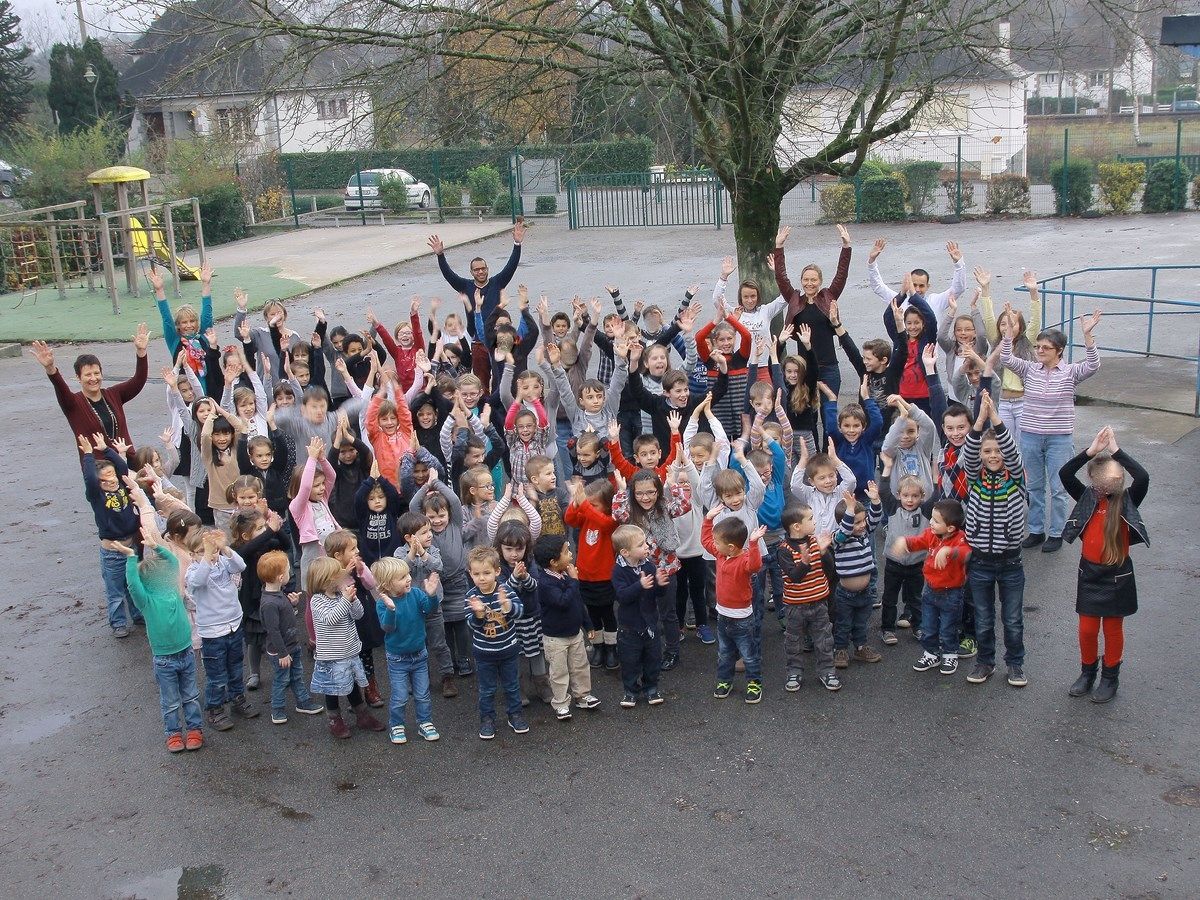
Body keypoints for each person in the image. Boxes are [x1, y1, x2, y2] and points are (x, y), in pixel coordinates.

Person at [1000, 305, 1102, 553]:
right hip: (1031, 436)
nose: (1040, 351)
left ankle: (1056, 533)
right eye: (1038, 347)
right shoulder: (1029, 369)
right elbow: (1005, 358)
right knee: (1034, 485)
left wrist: (1088, 337)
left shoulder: (1070, 373)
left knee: (1057, 488)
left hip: (1059, 438)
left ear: (1059, 351)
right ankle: (1036, 530)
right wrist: (1009, 334)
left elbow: (1093, 366)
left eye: (1045, 347)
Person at [1060, 426, 1149, 704]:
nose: (1117, 476)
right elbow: (1065, 474)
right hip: (1090, 574)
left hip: (1118, 576)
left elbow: (1143, 476)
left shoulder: (1127, 500)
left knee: (1112, 629)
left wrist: (1117, 451)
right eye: (1111, 472)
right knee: (1087, 629)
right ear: (1095, 478)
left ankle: (1110, 677)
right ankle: (1088, 673)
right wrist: (1092, 451)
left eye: (1119, 473)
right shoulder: (1087, 497)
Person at [111, 525, 204, 753]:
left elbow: (172, 562)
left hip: (185, 652)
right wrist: (131, 558)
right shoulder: (146, 601)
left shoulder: (173, 591)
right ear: (150, 582)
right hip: (164, 659)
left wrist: (155, 547)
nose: (167, 578)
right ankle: (173, 733)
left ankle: (194, 729)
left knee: (191, 695)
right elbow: (132, 584)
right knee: (171, 700)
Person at [961, 393, 1029, 687]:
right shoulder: (975, 477)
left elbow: (1012, 453)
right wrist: (978, 422)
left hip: (1011, 562)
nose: (993, 455)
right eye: (988, 451)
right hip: (980, 563)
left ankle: (1015, 665)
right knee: (984, 618)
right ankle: (985, 662)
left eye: (997, 451)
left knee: (1012, 620)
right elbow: (968, 453)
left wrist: (996, 419)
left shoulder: (1015, 477)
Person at [32, 324, 151, 466]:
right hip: (100, 470)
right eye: (88, 374)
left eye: (96, 373)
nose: (93, 378)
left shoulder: (114, 394)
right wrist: (50, 368)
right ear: (78, 377)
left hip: (127, 461)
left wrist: (141, 352)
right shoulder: (72, 403)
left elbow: (138, 380)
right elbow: (60, 387)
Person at [186, 528, 258, 730]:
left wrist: (224, 548)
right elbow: (198, 582)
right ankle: (214, 710)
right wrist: (207, 556)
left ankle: (237, 699)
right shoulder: (193, 571)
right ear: (192, 555)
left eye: (211, 550)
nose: (209, 554)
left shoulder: (223, 562)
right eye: (201, 551)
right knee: (216, 676)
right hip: (212, 633)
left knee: (236, 668)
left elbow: (241, 566)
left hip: (233, 625)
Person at [306, 556, 385, 739]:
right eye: (338, 575)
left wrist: (353, 599)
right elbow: (331, 619)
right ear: (325, 579)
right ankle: (335, 720)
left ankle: (362, 716)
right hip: (331, 656)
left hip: (350, 651)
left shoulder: (342, 595)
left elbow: (358, 614)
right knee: (331, 690)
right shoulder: (317, 600)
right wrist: (345, 601)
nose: (343, 577)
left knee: (352, 686)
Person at [370, 556, 442, 744]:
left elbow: (429, 610)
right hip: (397, 659)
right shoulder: (382, 603)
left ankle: (425, 722)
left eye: (407, 574)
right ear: (387, 584)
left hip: (419, 654)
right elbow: (387, 628)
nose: (409, 578)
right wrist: (391, 610)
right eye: (402, 577)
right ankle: (396, 725)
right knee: (400, 696)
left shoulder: (417, 594)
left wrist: (432, 595)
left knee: (422, 694)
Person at [895, 500, 971, 676]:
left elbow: (966, 553)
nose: (931, 522)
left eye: (936, 521)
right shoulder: (931, 534)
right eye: (932, 519)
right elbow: (917, 541)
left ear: (950, 528)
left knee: (948, 627)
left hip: (952, 592)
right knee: (928, 626)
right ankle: (931, 653)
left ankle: (950, 654)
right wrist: (904, 542)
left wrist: (949, 552)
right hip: (930, 590)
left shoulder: (960, 538)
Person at [772, 224, 853, 392]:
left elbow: (841, 274)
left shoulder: (828, 297)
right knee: (807, 413)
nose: (809, 283)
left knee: (828, 410)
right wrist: (779, 247)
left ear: (820, 282)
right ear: (801, 281)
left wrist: (846, 247)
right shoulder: (794, 299)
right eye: (806, 280)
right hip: (804, 367)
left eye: (813, 280)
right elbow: (781, 278)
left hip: (829, 366)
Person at [78, 433, 144, 637]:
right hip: (112, 550)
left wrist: (106, 450)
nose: (111, 481)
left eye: (112, 475)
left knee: (132, 584)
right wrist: (89, 455)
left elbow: (122, 468)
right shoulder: (96, 495)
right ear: (98, 484)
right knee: (114, 590)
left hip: (131, 546)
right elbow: (89, 478)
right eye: (105, 479)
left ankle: (137, 615)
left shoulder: (122, 483)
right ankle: (118, 623)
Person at [701, 510, 766, 703]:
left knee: (749, 655)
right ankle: (724, 681)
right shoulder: (722, 555)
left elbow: (755, 565)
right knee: (724, 653)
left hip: (743, 619)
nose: (714, 544)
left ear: (730, 547)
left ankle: (754, 683)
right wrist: (708, 519)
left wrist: (753, 543)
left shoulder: (744, 560)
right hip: (723, 616)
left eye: (717, 542)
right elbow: (705, 541)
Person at [534, 534, 601, 720]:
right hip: (555, 638)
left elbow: (577, 603)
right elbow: (563, 602)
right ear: (554, 562)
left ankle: (582, 695)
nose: (571, 554)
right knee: (559, 672)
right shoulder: (546, 583)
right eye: (566, 552)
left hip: (574, 633)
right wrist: (574, 581)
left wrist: (587, 624)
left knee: (580, 666)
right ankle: (561, 703)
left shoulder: (565, 576)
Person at [464, 547, 527, 740]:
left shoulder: (505, 590)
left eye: (486, 573)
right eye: (476, 574)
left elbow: (520, 611)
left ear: (497, 571)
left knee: (512, 685)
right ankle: (487, 719)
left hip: (508, 649)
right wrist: (479, 614)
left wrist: (507, 606)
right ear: (470, 574)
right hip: (484, 653)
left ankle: (515, 714)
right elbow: (471, 624)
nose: (481, 578)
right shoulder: (472, 597)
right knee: (487, 689)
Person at [776, 504, 839, 693]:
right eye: (810, 519)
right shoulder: (784, 550)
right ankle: (794, 671)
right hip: (795, 606)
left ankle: (827, 670)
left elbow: (830, 571)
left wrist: (823, 552)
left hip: (819, 602)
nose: (815, 522)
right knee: (793, 641)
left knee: (824, 639)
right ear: (796, 526)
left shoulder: (815, 542)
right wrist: (805, 562)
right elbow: (794, 577)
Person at [257, 550, 324, 724]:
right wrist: (282, 653)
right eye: (287, 571)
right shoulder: (269, 603)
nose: (290, 574)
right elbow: (273, 631)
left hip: (291, 645)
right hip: (282, 651)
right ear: (280, 578)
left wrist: (292, 603)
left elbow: (284, 619)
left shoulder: (278, 595)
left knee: (296, 675)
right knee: (282, 679)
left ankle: (303, 702)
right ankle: (277, 709)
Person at [427, 219, 525, 330]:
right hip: (474, 339)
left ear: (487, 269)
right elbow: (448, 274)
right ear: (471, 272)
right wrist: (440, 256)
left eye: (483, 268)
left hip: (495, 335)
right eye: (477, 270)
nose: (481, 272)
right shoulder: (465, 286)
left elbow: (511, 266)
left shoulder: (497, 282)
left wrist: (517, 244)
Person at [611, 524, 669, 708]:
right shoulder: (619, 571)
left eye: (645, 543)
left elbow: (657, 595)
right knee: (630, 661)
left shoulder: (649, 566)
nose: (647, 547)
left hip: (650, 624)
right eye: (641, 544)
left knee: (653, 659)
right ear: (625, 552)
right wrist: (639, 585)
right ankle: (630, 691)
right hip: (629, 628)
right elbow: (622, 597)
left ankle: (651, 687)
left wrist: (660, 584)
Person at [867, 238, 966, 325]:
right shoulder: (899, 301)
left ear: (928, 286)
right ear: (909, 284)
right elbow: (878, 287)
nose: (917, 289)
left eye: (921, 286)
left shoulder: (936, 301)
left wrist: (958, 263)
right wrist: (872, 262)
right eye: (914, 285)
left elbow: (958, 288)